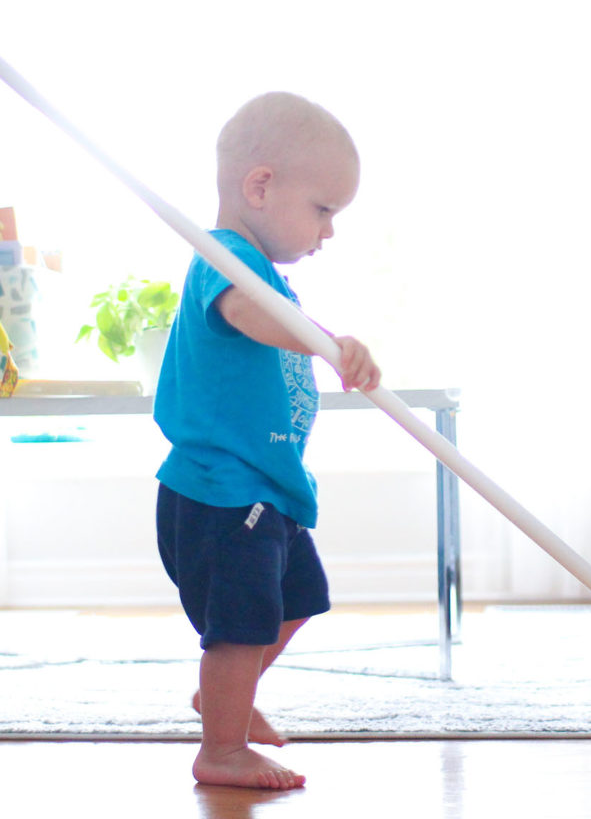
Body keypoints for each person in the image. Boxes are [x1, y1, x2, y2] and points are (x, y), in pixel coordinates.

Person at [153, 92, 381, 790]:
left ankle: (223, 698)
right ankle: (219, 749)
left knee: (297, 601)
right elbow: (248, 313)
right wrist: (327, 344)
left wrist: (330, 344)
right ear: (260, 186)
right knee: (240, 625)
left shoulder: (263, 272)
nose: (328, 231)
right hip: (222, 492)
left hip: (265, 487)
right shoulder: (223, 258)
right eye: (323, 210)